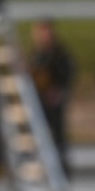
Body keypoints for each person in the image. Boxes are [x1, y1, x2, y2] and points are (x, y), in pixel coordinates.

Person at [28, 18, 76, 174]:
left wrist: (60, 91)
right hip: (41, 100)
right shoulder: (37, 53)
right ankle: (46, 167)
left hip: (55, 100)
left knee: (58, 135)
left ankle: (61, 169)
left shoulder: (60, 53)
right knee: (41, 134)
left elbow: (68, 74)